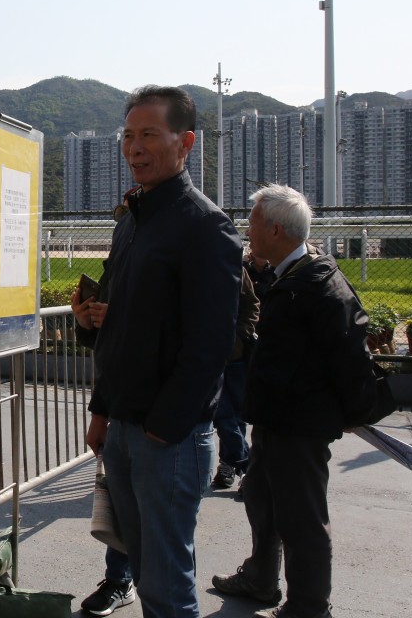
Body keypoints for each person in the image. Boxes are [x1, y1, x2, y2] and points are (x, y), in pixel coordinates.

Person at [84, 86, 242, 618]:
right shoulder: (132, 221)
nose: (134, 147)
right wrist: (103, 408)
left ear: (186, 142)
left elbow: (212, 341)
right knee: (142, 560)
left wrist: (165, 424)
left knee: (167, 585)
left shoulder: (205, 226)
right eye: (128, 135)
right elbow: (120, 327)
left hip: (168, 438)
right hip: (126, 427)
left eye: (150, 134)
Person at [211, 184, 376, 618]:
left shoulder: (317, 285)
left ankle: (308, 606)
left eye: (253, 222)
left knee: (302, 518)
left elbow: (351, 355)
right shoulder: (290, 275)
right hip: (274, 418)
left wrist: (351, 413)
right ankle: (261, 579)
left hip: (300, 424)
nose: (248, 230)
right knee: (260, 499)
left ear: (277, 231)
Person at [72, 254, 136, 616]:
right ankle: (119, 578)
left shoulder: (198, 235)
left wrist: (124, 322)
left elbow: (197, 334)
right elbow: (110, 348)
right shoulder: (129, 240)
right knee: (122, 503)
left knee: (165, 527)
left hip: (169, 418)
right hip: (123, 405)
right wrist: (87, 323)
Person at [212, 265, 260, 491]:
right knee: (223, 416)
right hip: (209, 358)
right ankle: (249, 467)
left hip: (236, 357)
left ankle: (230, 465)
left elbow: (252, 305)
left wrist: (239, 336)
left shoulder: (234, 268)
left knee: (234, 416)